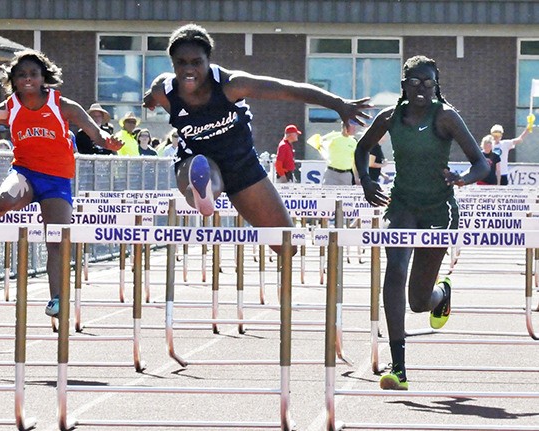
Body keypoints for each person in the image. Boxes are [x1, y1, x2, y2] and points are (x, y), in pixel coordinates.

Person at [0, 49, 123, 318]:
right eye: (21, 75)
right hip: (25, 172)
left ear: (44, 78)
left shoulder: (63, 105)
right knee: (7, 198)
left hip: (57, 179)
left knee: (57, 239)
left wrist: (108, 142)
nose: (27, 79)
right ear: (13, 80)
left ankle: (56, 299)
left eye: (33, 74)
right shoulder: (6, 108)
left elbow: (94, 131)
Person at [143, 23, 370, 252]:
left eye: (196, 63)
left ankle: (208, 194)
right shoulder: (164, 90)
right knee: (205, 171)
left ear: (208, 60)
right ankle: (206, 192)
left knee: (286, 245)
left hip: (242, 166)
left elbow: (288, 90)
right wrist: (151, 99)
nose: (188, 70)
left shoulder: (232, 84)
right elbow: (155, 90)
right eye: (181, 63)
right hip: (194, 160)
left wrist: (339, 104)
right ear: (172, 64)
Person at [354, 55, 489, 391]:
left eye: (428, 83)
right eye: (414, 82)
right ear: (403, 85)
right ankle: (398, 367)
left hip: (437, 210)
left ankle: (441, 292)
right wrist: (368, 183)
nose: (421, 89)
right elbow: (362, 148)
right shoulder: (390, 117)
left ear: (436, 86)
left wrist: (463, 179)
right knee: (395, 269)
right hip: (402, 205)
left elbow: (481, 163)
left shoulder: (446, 118)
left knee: (418, 300)